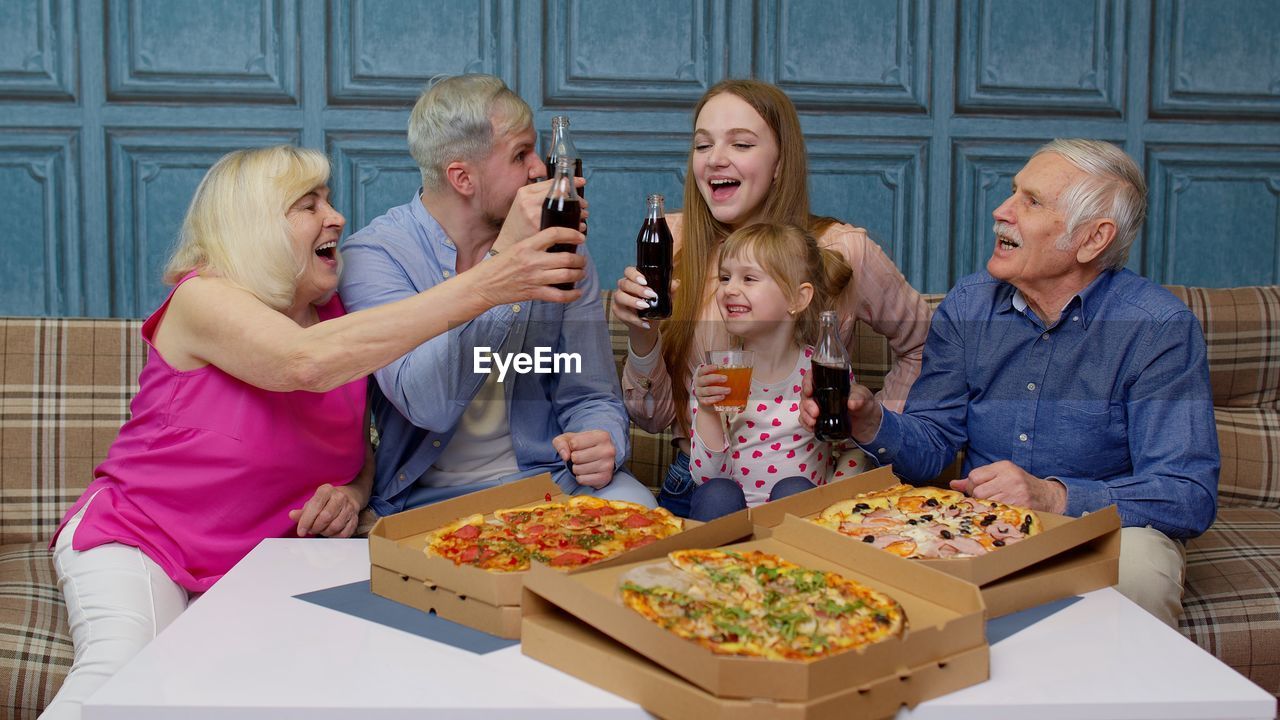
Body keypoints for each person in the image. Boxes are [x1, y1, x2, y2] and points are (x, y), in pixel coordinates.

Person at [40, 145, 587, 720]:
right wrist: (489, 281)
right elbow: (302, 364)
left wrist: (352, 492)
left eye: (328, 199)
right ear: (256, 227)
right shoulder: (202, 298)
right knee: (119, 678)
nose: (336, 217)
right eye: (308, 205)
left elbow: (363, 447)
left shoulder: (339, 321)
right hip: (141, 538)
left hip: (257, 563)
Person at [801, 139, 1219, 628]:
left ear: (1092, 238)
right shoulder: (969, 305)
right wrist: (872, 422)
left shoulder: (1158, 328)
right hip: (976, 523)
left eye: (1032, 201)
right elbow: (932, 446)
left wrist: (1055, 497)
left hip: (1104, 529)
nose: (1001, 211)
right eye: (1013, 192)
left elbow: (1186, 492)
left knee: (1141, 572)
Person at [611, 79, 930, 517]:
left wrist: (875, 428)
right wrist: (641, 336)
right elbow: (652, 418)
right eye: (703, 146)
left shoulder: (840, 248)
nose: (716, 159)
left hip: (806, 486)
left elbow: (926, 345)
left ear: (780, 162)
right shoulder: (672, 240)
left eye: (741, 144)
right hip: (703, 483)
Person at [338, 74, 655, 514]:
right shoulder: (374, 257)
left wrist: (603, 439)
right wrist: (505, 264)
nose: (540, 169)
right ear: (462, 177)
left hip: (546, 483)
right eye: (520, 154)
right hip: (425, 499)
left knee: (640, 510)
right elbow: (426, 404)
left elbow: (591, 395)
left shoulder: (559, 246)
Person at [686, 223, 858, 520]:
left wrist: (834, 499)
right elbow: (707, 477)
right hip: (731, 520)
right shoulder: (715, 374)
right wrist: (707, 409)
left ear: (796, 299)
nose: (729, 289)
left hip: (799, 523)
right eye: (725, 277)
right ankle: (710, 565)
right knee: (716, 493)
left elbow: (854, 449)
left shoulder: (823, 371)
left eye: (749, 278)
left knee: (794, 489)